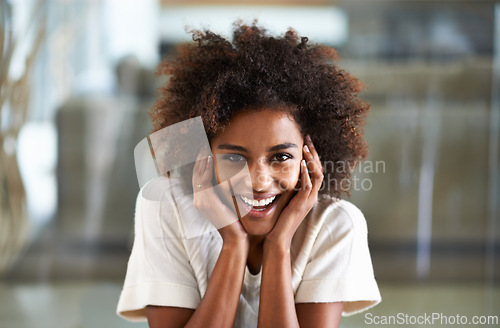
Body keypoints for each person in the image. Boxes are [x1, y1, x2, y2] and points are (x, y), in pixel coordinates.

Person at [117, 22, 381, 328]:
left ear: (310, 158)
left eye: (281, 157)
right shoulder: (166, 204)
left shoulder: (335, 224)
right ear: (202, 153)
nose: (258, 181)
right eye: (233, 157)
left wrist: (279, 245)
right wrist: (233, 243)